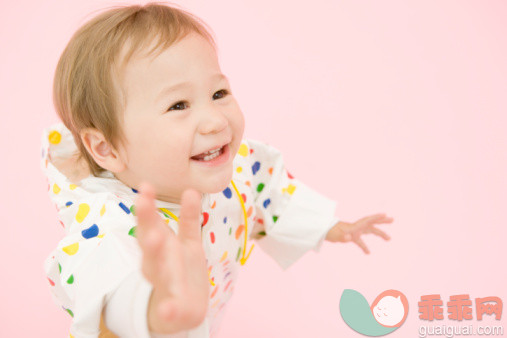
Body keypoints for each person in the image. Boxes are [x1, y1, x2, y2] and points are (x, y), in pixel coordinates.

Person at [41, 3, 393, 337]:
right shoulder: (108, 227)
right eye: (178, 105)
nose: (214, 119)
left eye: (219, 92)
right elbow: (110, 285)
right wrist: (156, 306)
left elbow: (268, 192)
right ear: (107, 148)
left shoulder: (231, 169)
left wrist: (328, 226)